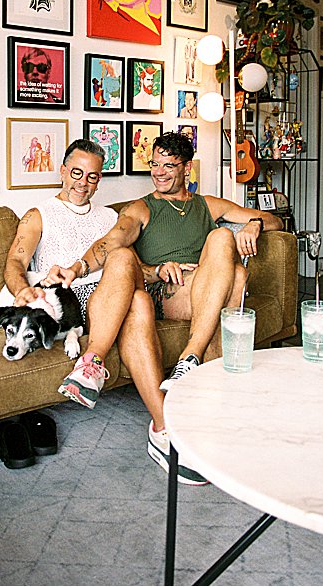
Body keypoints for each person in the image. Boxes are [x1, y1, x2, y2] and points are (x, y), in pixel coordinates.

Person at [53, 132, 283, 484]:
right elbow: (113, 241)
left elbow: (272, 219)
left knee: (224, 244)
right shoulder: (141, 208)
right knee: (127, 260)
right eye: (155, 164)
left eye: (169, 166)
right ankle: (106, 368)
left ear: (187, 168)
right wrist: (78, 267)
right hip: (162, 292)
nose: (159, 172)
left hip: (201, 290)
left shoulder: (208, 205)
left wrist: (252, 224)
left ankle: (192, 365)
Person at [2, 139, 116, 316]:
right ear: (63, 172)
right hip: (64, 302)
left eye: (92, 176)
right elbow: (16, 261)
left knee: (139, 299)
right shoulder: (37, 216)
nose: (83, 182)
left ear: (98, 180)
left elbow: (132, 264)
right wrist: (22, 290)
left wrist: (158, 270)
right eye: (76, 173)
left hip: (111, 295)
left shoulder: (112, 217)